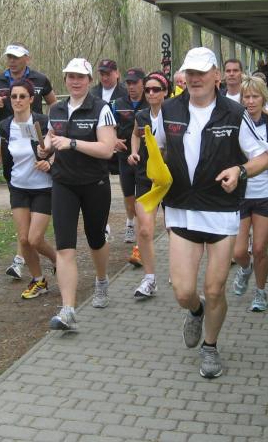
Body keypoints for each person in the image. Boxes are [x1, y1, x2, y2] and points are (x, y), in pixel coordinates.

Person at [155, 47, 268, 379]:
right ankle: (195, 312)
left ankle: (210, 346)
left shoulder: (234, 113)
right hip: (181, 208)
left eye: (201, 73)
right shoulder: (169, 109)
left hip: (220, 210)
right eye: (190, 73)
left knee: (215, 289)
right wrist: (154, 171)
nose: (195, 79)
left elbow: (262, 157)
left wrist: (240, 170)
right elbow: (158, 147)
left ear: (216, 76)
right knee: (183, 291)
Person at [46, 58, 117, 331]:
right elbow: (51, 137)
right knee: (64, 246)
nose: (75, 82)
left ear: (89, 80)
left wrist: (73, 143)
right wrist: (45, 147)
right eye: (71, 77)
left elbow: (107, 149)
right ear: (65, 79)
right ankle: (68, 310)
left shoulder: (101, 109)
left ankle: (102, 280)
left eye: (80, 77)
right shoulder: (56, 108)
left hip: (94, 183)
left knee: (95, 238)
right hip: (63, 183)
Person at [0, 44, 56, 281]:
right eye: (13, 96)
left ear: (32, 99)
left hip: (42, 187)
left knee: (35, 239)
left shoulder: (42, 122)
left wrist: (49, 161)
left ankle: (57, 260)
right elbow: (0, 146)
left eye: (22, 96)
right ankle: (38, 280)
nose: (17, 100)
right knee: (24, 240)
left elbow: (56, 148)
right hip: (18, 186)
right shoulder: (5, 126)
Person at [232, 75, 268, 312]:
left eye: (255, 96)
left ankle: (260, 292)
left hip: (265, 194)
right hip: (240, 194)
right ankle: (245, 269)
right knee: (238, 252)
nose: (250, 101)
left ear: (263, 98)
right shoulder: (235, 124)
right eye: (246, 97)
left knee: (259, 249)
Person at [126, 71, 169, 299]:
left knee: (174, 229)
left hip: (170, 178)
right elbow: (135, 134)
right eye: (148, 89)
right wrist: (134, 152)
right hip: (145, 177)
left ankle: (179, 269)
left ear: (165, 92)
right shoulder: (141, 115)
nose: (151, 93)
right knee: (144, 229)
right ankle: (149, 279)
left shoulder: (174, 114)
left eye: (156, 89)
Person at [113, 68, 149, 254]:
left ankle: (143, 229)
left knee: (143, 197)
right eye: (128, 83)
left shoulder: (150, 100)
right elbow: (109, 126)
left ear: (143, 83)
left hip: (146, 157)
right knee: (129, 196)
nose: (131, 86)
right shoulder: (118, 103)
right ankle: (130, 222)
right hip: (124, 155)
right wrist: (114, 139)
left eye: (135, 82)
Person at [92, 58, 127, 179]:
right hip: (98, 152)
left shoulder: (126, 93)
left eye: (108, 74)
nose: (105, 78)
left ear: (117, 73)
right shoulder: (92, 94)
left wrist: (115, 139)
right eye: (102, 74)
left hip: (121, 152)